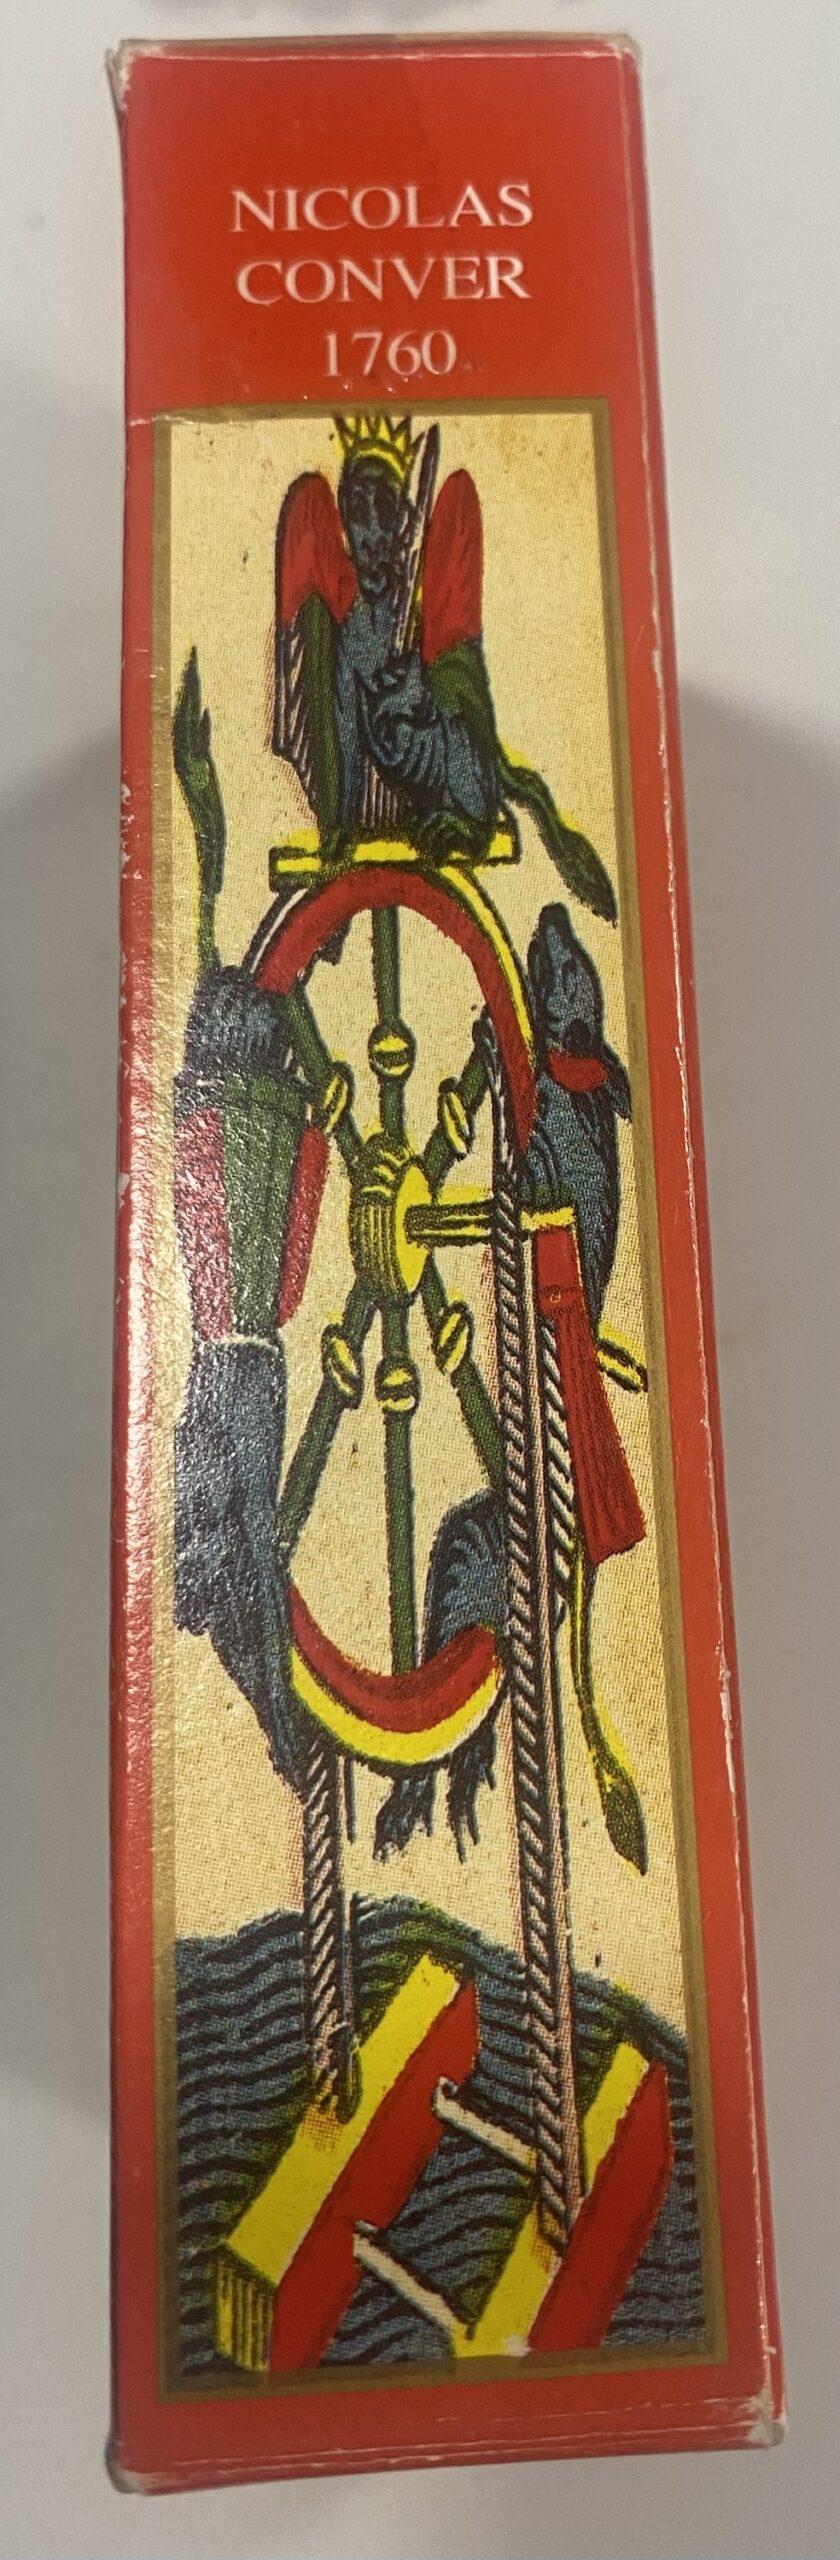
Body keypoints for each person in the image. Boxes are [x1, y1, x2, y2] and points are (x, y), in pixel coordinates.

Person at [273, 412, 617, 915]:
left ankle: (467, 817)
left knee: (454, 716)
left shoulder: (417, 603)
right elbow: (342, 718)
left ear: (403, 521)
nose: (371, 530)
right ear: (344, 515)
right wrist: (338, 826)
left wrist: (414, 690)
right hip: (383, 776)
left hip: (433, 761)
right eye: (359, 509)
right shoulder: (350, 619)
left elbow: (458, 702)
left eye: (383, 508)